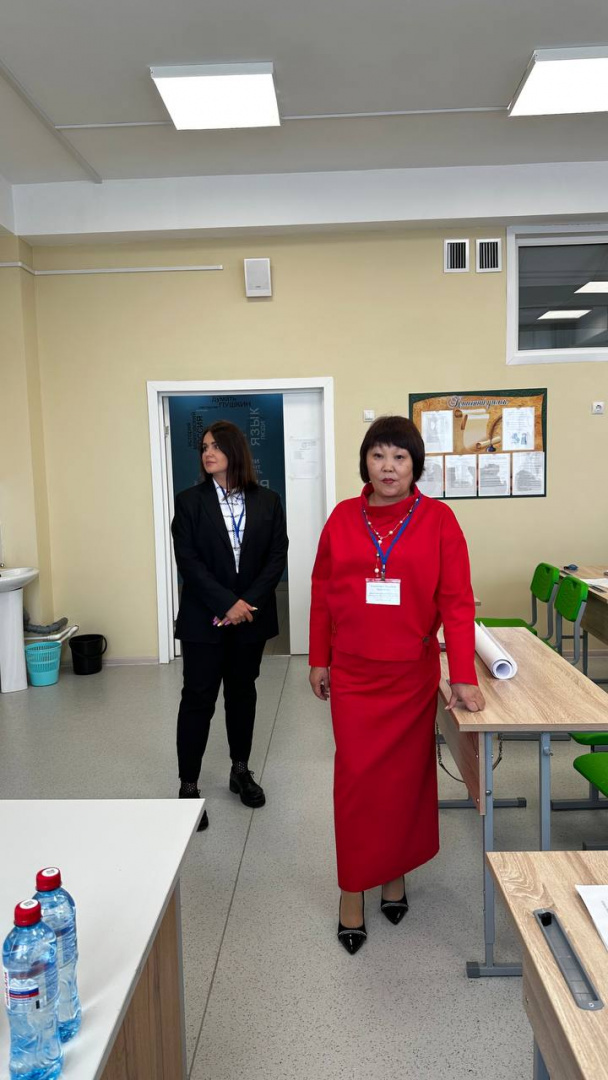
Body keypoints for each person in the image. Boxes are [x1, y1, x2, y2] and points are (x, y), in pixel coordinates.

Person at [308, 415, 484, 954]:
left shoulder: (439, 520)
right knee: (356, 783)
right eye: (378, 455)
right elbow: (322, 591)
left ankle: (394, 873)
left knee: (404, 783)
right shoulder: (342, 518)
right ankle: (351, 887)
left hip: (410, 676)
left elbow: (457, 601)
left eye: (399, 457)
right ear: (365, 462)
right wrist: (319, 659)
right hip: (355, 676)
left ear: (415, 466)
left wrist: (463, 677)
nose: (388, 467)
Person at [172, 420, 288, 830]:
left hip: (249, 620)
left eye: (216, 446)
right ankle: (188, 786)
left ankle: (240, 770)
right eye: (204, 447)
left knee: (242, 694)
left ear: (234, 451)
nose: (207, 453)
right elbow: (188, 561)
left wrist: (245, 604)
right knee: (198, 699)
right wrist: (226, 603)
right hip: (204, 620)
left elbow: (276, 556)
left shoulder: (268, 501)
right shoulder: (189, 502)